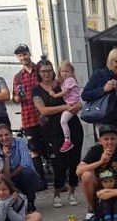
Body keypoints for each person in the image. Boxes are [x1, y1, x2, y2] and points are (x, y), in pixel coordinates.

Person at [33, 59, 82, 208]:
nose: (46, 74)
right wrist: (65, 107)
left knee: (74, 161)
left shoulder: (63, 82)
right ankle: (57, 192)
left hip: (73, 127)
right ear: (39, 73)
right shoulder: (37, 90)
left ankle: (73, 191)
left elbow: (77, 99)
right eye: (43, 71)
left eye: (49, 70)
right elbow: (43, 110)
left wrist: (78, 106)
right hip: (53, 131)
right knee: (59, 163)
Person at [78, 125, 117, 221]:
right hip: (101, 189)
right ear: (100, 141)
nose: (110, 142)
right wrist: (100, 162)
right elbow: (78, 171)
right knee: (86, 175)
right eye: (106, 139)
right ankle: (93, 209)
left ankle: (112, 212)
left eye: (113, 138)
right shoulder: (95, 150)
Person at [11, 44, 47, 188]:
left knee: (50, 147)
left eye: (25, 54)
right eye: (20, 55)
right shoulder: (18, 77)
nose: (23, 57)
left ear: (29, 54)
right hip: (28, 116)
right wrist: (18, 97)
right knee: (34, 150)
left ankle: (59, 181)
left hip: (45, 114)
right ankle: (41, 181)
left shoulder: (40, 69)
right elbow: (15, 98)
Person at [0, 124, 39, 213]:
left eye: (6, 134)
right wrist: (6, 157)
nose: (4, 138)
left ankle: (30, 201)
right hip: (10, 178)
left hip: (23, 174)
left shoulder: (20, 142)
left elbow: (25, 163)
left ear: (11, 134)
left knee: (27, 173)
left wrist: (10, 176)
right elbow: (4, 174)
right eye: (1, 136)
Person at [47, 61, 82, 154]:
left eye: (67, 71)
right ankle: (67, 140)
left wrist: (54, 95)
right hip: (71, 104)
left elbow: (65, 92)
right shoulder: (64, 81)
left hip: (72, 104)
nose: (64, 73)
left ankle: (67, 140)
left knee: (63, 121)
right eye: (62, 71)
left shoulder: (70, 80)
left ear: (71, 72)